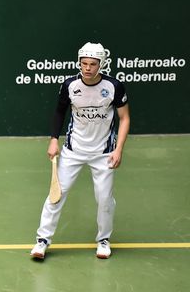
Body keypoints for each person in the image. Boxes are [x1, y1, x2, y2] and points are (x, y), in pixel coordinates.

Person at [30, 42, 130, 260]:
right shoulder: (70, 85)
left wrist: (119, 149)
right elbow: (59, 113)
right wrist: (53, 140)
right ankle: (42, 240)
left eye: (93, 64)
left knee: (104, 198)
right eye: (84, 63)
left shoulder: (114, 87)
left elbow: (124, 118)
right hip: (73, 150)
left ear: (101, 64)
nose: (87, 68)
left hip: (104, 153)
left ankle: (103, 240)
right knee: (56, 195)